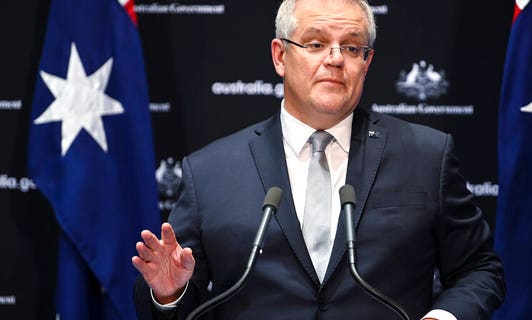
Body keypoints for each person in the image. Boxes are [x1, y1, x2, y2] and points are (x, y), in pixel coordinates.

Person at [132, 0, 505, 319]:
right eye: (315, 43)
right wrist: (169, 294)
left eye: (353, 47)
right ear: (280, 56)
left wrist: (443, 316)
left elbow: (480, 269)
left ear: (367, 61)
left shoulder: (426, 156)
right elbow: (179, 298)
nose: (336, 59)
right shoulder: (210, 172)